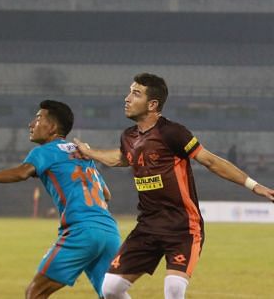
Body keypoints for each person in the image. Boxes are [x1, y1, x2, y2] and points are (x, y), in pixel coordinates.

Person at [73, 73, 274, 299]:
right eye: (129, 92)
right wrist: (90, 152)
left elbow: (210, 161)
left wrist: (253, 185)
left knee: (174, 290)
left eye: (135, 93)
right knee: (111, 289)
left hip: (182, 227)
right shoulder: (128, 136)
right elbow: (120, 158)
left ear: (152, 104)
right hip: (147, 226)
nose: (127, 98)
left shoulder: (172, 132)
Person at [0, 100, 121, 299]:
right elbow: (106, 194)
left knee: (34, 293)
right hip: (109, 232)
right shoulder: (83, 153)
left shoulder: (45, 151)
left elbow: (22, 172)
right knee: (111, 295)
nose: (31, 124)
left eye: (38, 118)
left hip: (81, 232)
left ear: (52, 127)